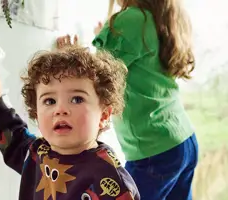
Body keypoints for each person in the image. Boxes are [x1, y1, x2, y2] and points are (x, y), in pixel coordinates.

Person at [57, 0, 198, 199]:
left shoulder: (131, 19)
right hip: (182, 141)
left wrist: (70, 57)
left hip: (153, 152)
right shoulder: (160, 19)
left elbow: (99, 79)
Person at [0, 47, 140, 199]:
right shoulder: (36, 153)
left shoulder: (110, 178)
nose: (60, 109)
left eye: (77, 99)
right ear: (36, 112)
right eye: (49, 101)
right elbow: (13, 138)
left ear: (104, 116)